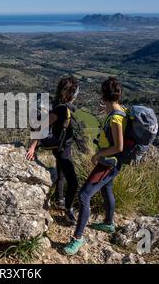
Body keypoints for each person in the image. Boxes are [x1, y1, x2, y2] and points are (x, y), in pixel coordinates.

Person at [63, 77, 127, 255]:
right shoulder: (121, 110)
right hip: (114, 164)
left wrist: (98, 154)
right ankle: (108, 223)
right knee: (107, 188)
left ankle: (78, 238)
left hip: (108, 163)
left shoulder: (115, 119)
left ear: (103, 94)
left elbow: (118, 146)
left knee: (84, 196)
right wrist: (104, 109)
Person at [26, 76, 80, 224]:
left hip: (58, 145)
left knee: (61, 172)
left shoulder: (57, 102)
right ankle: (68, 211)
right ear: (72, 94)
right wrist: (32, 146)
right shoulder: (62, 109)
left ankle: (59, 199)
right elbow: (42, 125)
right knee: (73, 182)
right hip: (63, 147)